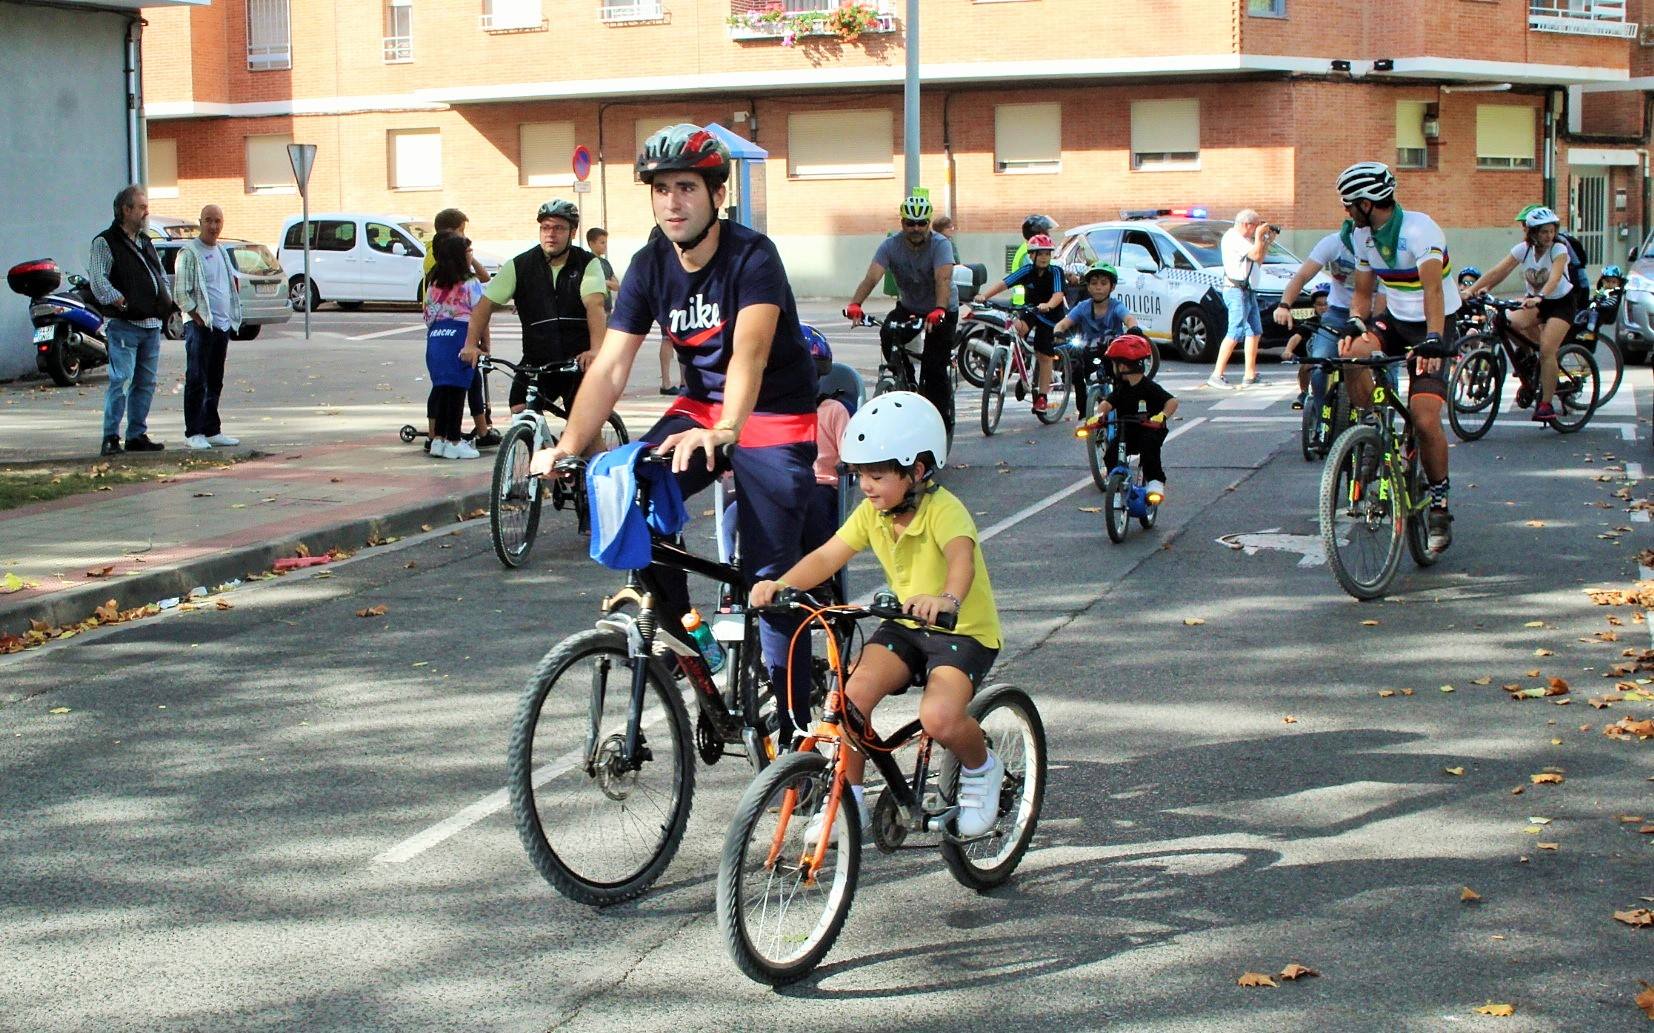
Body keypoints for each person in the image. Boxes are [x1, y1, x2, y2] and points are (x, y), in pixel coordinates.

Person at [529, 123, 820, 744]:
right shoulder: (648, 264)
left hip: (771, 413)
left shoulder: (752, 256)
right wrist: (568, 446)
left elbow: (751, 353)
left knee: (772, 580)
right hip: (701, 406)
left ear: (717, 194)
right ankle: (696, 642)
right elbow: (610, 365)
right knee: (628, 485)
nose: (672, 202)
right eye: (661, 190)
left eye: (686, 187)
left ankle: (797, 730)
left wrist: (728, 430)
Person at [747, 392, 1004, 842]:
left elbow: (961, 561)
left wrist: (946, 598)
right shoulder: (873, 513)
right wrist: (782, 585)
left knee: (940, 718)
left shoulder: (945, 511)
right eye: (861, 474)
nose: (866, 485)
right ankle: (851, 802)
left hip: (959, 629)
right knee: (848, 701)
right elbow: (828, 555)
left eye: (878, 475)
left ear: (917, 471)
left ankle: (983, 771)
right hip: (905, 625)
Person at [1334, 160, 1459, 553]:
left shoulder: (1420, 230)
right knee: (1351, 354)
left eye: (1348, 203)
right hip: (1397, 320)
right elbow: (1363, 291)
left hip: (1435, 322)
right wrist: (1355, 322)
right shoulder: (1363, 236)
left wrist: (1436, 339)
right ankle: (1370, 428)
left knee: (1423, 420)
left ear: (1368, 203)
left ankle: (1439, 505)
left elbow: (1434, 292)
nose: (1346, 211)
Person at [460, 199, 605, 420]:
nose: (551, 234)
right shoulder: (520, 265)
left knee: (584, 433)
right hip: (537, 361)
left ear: (572, 232)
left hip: (577, 362)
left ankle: (592, 452)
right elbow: (483, 307)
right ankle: (537, 445)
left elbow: (594, 306)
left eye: (558, 228)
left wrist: (596, 350)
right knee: (520, 410)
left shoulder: (587, 263)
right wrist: (470, 344)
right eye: (545, 227)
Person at [845, 194, 958, 429]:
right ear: (902, 222)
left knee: (934, 366)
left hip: (942, 307)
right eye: (910, 223)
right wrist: (856, 304)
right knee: (888, 334)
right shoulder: (890, 245)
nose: (916, 228)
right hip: (910, 307)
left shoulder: (941, 244)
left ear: (928, 223)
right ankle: (907, 381)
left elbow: (943, 279)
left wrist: (939, 309)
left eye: (921, 223)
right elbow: (872, 277)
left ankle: (940, 421)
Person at [1459, 206, 1574, 422]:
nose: (1549, 236)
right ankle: (1530, 359)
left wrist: (1541, 296)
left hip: (1560, 303)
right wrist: (1471, 291)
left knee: (1548, 349)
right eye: (1543, 232)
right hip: (1535, 303)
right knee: (1508, 322)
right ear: (1532, 233)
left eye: (1552, 231)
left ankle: (1546, 404)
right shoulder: (1524, 249)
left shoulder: (1559, 249)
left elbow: (1555, 278)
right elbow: (1499, 271)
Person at [87, 185, 171, 456]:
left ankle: (137, 434)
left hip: (151, 325)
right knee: (121, 380)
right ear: (126, 209)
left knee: (146, 382)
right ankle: (111, 436)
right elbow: (98, 280)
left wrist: (167, 302)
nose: (147, 212)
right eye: (142, 207)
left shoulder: (145, 241)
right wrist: (120, 300)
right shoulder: (106, 241)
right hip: (124, 325)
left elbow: (158, 273)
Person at [171, 204, 242, 450]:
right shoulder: (189, 253)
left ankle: (212, 429)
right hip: (200, 326)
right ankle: (194, 432)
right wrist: (196, 315)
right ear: (200, 222)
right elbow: (180, 292)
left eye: (218, 221)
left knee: (215, 379)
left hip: (221, 326)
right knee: (197, 378)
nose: (213, 226)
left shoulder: (221, 251)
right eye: (209, 221)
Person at [422, 209, 494, 450]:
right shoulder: (469, 284)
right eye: (468, 253)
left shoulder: (434, 284)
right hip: (462, 339)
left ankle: (439, 439)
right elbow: (480, 315)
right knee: (457, 392)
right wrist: (483, 344)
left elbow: (428, 315)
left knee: (442, 389)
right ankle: (454, 441)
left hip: (437, 339)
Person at [972, 234, 1067, 412]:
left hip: (1050, 315)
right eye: (1041, 254)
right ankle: (1019, 366)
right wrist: (984, 296)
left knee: (1044, 355)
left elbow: (1058, 295)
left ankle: (1042, 397)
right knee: (1016, 328)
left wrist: (1048, 305)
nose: (1045, 257)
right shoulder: (1027, 271)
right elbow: (1004, 284)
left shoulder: (1055, 272)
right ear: (1032, 256)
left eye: (1048, 253)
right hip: (1030, 311)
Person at [1078, 334, 1176, 500]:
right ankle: (1117, 482)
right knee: (1111, 454)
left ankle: (1155, 481)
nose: (1113, 368)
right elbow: (1107, 404)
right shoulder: (1122, 388)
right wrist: (1098, 415)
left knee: (1149, 448)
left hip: (1149, 429)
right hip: (1127, 430)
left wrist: (1162, 415)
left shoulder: (1149, 387)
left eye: (1114, 364)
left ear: (1122, 366)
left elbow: (1172, 402)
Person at [1053, 262, 1140, 418]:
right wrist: (1058, 332)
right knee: (1076, 369)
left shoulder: (1116, 306)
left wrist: (1133, 329)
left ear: (1112, 287)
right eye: (1093, 283)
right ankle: (1083, 411)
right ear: (1088, 287)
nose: (1098, 287)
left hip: (1113, 353)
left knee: (1123, 379)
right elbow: (1064, 322)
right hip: (1090, 352)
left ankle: (1125, 412)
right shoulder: (1082, 307)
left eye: (1103, 283)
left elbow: (1129, 319)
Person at [1206, 209, 1275, 389]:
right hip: (1236, 291)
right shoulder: (1233, 238)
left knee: (1254, 331)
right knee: (1235, 331)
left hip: (1248, 290)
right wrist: (1260, 238)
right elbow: (1255, 254)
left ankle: (1250, 374)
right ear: (1247, 224)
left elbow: (1257, 260)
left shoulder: (1245, 240)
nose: (1256, 230)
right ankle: (1217, 374)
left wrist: (1266, 241)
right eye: (1255, 226)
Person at [1281, 290, 1329, 408]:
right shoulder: (1312, 322)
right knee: (1306, 365)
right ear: (1314, 306)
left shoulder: (1339, 321)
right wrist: (1288, 350)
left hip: (1336, 355)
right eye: (1319, 304)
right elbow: (1296, 337)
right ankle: (1304, 393)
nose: (1323, 308)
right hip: (1317, 356)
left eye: (1326, 304)